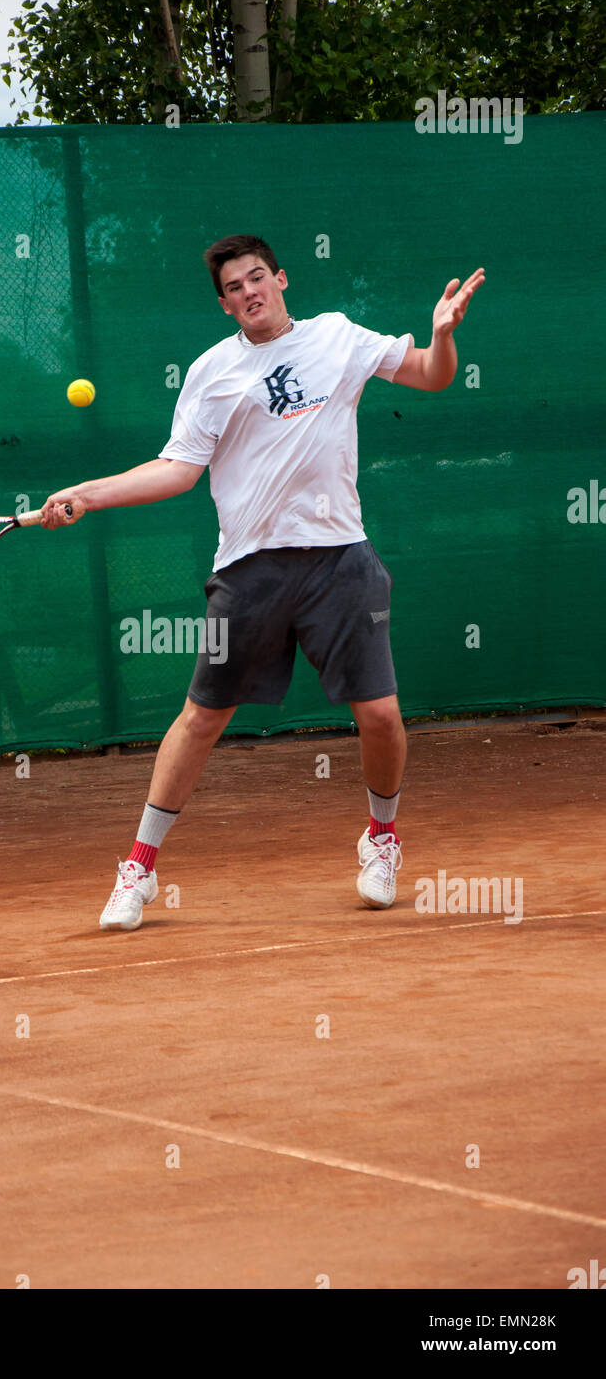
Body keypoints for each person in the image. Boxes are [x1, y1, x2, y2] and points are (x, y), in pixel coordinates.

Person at [41, 235, 484, 931]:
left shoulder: (337, 338)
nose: (249, 292)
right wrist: (91, 494)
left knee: (378, 715)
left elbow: (431, 375)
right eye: (234, 287)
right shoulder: (211, 372)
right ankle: (139, 870)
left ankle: (382, 838)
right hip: (249, 571)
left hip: (341, 560)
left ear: (280, 279)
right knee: (202, 718)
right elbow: (177, 469)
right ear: (224, 304)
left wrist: (440, 334)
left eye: (257, 277)